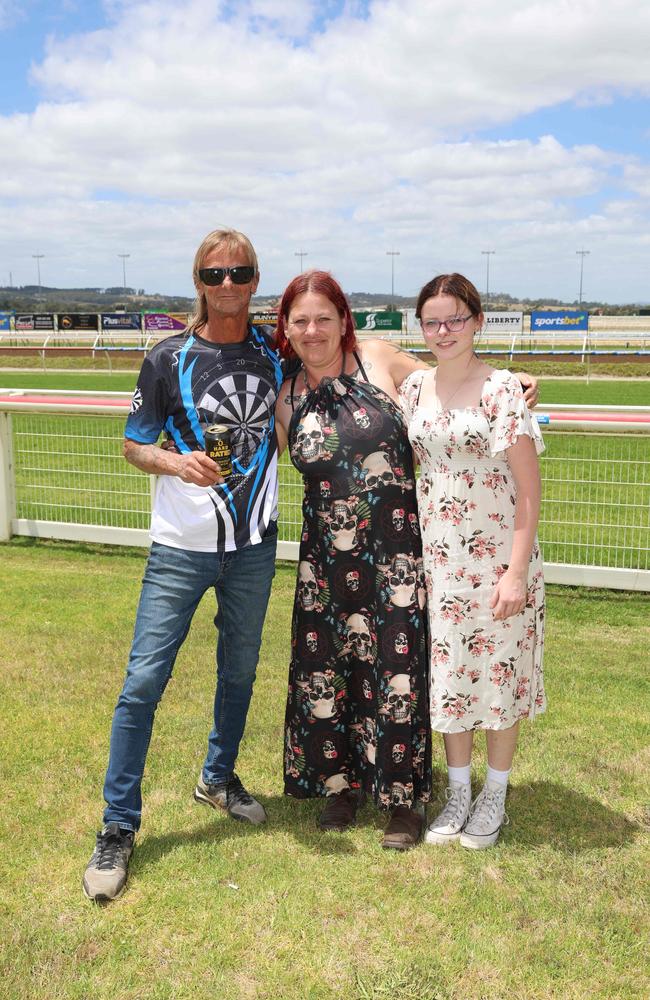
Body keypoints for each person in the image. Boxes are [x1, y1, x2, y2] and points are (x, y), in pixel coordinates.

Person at [83, 229, 285, 901]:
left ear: (256, 279)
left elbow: (358, 350)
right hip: (179, 549)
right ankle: (118, 826)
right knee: (142, 683)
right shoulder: (167, 357)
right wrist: (174, 461)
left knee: (241, 669)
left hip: (253, 547)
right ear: (198, 280)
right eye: (215, 273)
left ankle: (218, 779)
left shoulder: (273, 350)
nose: (228, 283)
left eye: (241, 271)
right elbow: (133, 445)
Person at [274, 270, 434, 849]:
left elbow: (450, 387)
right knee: (329, 672)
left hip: (394, 553)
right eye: (300, 320)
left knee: (397, 674)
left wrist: (508, 380)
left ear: (345, 319)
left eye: (323, 317)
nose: (312, 330)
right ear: (286, 328)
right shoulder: (286, 396)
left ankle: (403, 800)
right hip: (325, 562)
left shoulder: (379, 359)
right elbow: (245, 458)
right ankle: (339, 786)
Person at [399, 273, 545, 850]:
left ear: (477, 321)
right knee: (453, 679)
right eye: (432, 321)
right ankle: (457, 793)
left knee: (498, 679)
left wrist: (515, 571)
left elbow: (529, 492)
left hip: (497, 563)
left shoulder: (503, 391)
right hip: (439, 563)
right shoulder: (415, 390)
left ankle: (495, 794)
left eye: (455, 319)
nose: (443, 331)